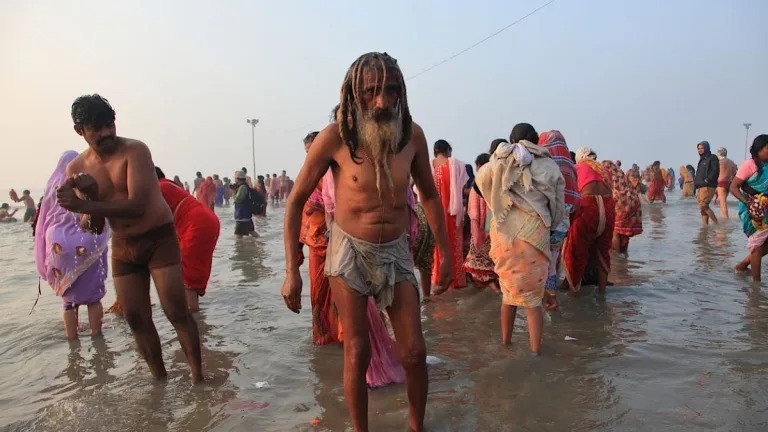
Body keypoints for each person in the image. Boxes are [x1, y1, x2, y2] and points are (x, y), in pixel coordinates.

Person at [281, 52, 451, 432]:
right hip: (348, 252)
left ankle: (416, 427)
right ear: (353, 94)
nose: (382, 101)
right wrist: (292, 271)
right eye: (372, 92)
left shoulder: (412, 136)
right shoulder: (335, 138)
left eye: (391, 91)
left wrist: (446, 255)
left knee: (415, 352)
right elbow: (294, 203)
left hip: (396, 252)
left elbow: (430, 196)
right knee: (357, 352)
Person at [57, 94, 202, 382]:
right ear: (80, 131)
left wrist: (84, 204)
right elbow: (95, 227)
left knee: (175, 311)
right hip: (123, 247)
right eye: (96, 128)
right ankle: (160, 381)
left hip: (159, 238)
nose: (106, 133)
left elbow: (137, 205)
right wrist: (91, 196)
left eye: (109, 124)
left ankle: (199, 378)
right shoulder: (77, 169)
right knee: (136, 319)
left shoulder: (135, 151)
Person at [475, 123, 565, 353]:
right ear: (536, 140)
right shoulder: (547, 164)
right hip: (534, 235)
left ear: (511, 138)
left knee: (508, 293)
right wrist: (550, 224)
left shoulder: (497, 161)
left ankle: (506, 344)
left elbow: (478, 183)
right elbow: (557, 204)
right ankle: (535, 353)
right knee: (533, 300)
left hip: (503, 233)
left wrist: (495, 203)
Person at [35, 151, 109, 340]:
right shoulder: (83, 183)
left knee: (68, 301)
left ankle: (72, 340)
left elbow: (42, 224)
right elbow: (98, 214)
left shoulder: (53, 188)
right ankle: (97, 336)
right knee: (93, 298)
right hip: (86, 243)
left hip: (58, 243)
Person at [156, 167, 220, 312]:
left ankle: (193, 317)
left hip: (196, 223)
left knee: (185, 274)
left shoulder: (158, 187)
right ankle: (195, 313)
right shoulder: (170, 185)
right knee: (193, 268)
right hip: (207, 219)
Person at [299, 131, 341, 345]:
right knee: (318, 294)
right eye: (307, 152)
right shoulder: (307, 177)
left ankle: (344, 337)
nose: (310, 156)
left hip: (340, 243)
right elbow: (298, 211)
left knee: (343, 295)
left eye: (313, 151)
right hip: (316, 245)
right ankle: (325, 339)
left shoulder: (338, 173)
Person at [563, 147, 615, 296]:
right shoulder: (604, 169)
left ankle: (574, 294)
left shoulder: (577, 167)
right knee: (603, 251)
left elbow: (572, 195)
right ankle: (601, 293)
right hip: (608, 206)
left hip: (587, 207)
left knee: (575, 251)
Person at [538, 130, 580, 303]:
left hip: (547, 221)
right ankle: (552, 298)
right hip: (563, 224)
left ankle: (541, 301)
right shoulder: (569, 166)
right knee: (554, 261)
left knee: (540, 263)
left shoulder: (544, 163)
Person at [431, 139, 468, 292]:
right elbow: (463, 189)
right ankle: (455, 280)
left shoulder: (428, 166)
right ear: (448, 150)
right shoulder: (457, 165)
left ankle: (436, 280)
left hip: (432, 214)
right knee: (453, 244)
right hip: (452, 214)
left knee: (435, 246)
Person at [732, 135, 768, 281]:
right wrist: (748, 203)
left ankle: (743, 264)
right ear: (759, 149)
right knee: (757, 245)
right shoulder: (750, 164)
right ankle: (756, 286)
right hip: (753, 209)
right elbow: (733, 187)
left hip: (766, 206)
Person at [464, 153, 499, 291]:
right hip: (494, 228)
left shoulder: (478, 183)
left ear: (479, 165)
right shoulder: (495, 181)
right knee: (495, 264)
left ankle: (493, 290)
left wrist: (477, 231)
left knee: (476, 265)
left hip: (480, 229)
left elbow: (474, 213)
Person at [603, 160, 642, 255]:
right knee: (624, 233)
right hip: (634, 204)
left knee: (615, 230)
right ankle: (624, 253)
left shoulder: (609, 177)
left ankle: (616, 255)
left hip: (622, 203)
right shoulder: (622, 175)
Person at [694, 141, 720, 225]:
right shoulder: (701, 160)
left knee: (703, 205)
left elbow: (715, 170)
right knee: (702, 208)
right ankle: (705, 226)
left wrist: (707, 180)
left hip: (708, 185)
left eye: (702, 148)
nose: (700, 150)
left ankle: (716, 224)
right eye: (698, 148)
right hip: (700, 186)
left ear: (706, 148)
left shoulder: (712, 157)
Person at [233, 171, 257, 238]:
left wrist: (234, 192)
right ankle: (261, 243)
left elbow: (238, 199)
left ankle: (240, 248)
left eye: (235, 178)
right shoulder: (245, 186)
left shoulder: (242, 187)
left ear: (237, 179)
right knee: (252, 232)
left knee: (238, 237)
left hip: (242, 215)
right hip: (246, 215)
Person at [716, 147, 738, 219]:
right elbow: (735, 174)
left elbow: (715, 174)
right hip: (729, 183)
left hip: (721, 184)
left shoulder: (718, 162)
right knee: (722, 201)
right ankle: (724, 217)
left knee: (723, 203)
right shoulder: (731, 162)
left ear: (718, 153)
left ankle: (725, 220)